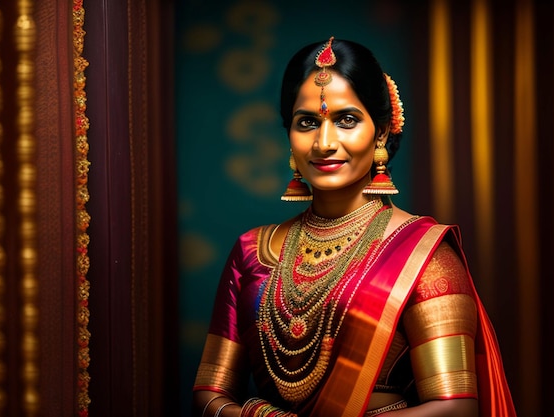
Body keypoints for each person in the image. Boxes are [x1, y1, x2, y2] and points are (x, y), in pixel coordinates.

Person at [192, 37, 516, 417]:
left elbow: (456, 409)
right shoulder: (251, 251)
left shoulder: (422, 255)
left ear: (380, 132)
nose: (324, 143)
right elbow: (209, 394)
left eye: (346, 120)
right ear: (289, 135)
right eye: (307, 122)